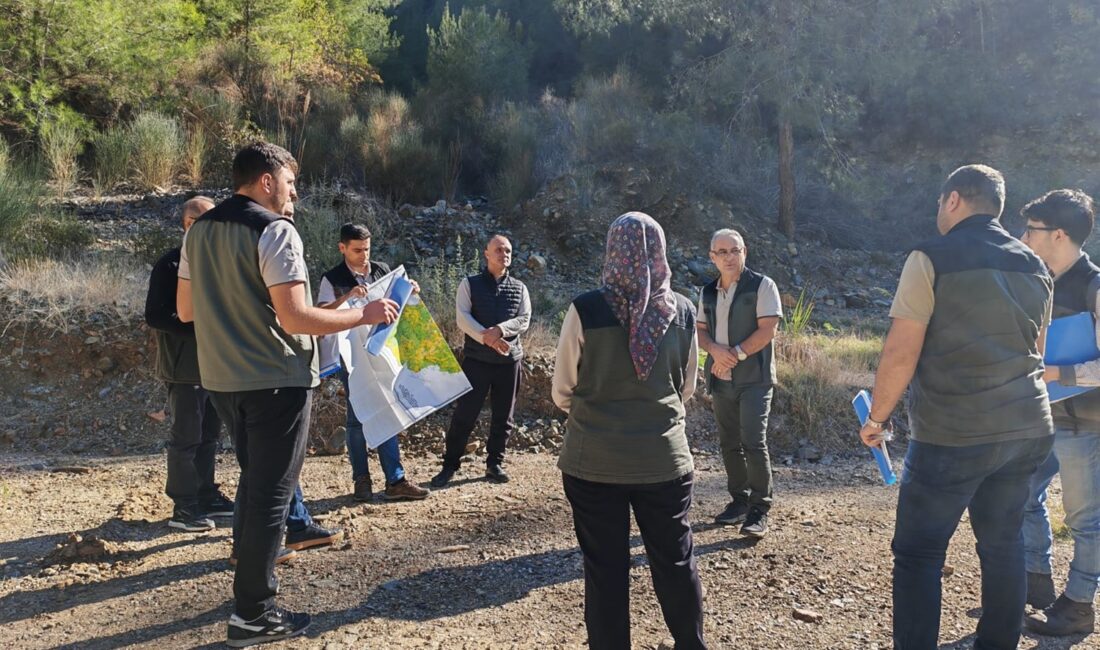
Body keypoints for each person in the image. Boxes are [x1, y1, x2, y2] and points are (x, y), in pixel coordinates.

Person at [177, 142, 399, 647]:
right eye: (291, 184)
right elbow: (296, 316)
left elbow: (187, 312)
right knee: (272, 495)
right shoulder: (276, 230)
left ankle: (249, 601)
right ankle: (253, 614)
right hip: (275, 381)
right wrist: (361, 315)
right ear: (267, 181)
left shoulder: (200, 231)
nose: (295, 196)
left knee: (256, 486)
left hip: (221, 381)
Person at [860, 164, 1054, 650]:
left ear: (952, 200)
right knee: (1003, 543)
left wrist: (877, 418)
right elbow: (1038, 351)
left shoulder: (931, 257)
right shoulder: (1034, 265)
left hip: (953, 432)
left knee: (919, 553)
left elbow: (901, 351)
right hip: (1027, 425)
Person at [552, 211, 705, 649]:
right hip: (664, 461)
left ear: (612, 251)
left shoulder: (586, 309)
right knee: (675, 561)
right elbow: (687, 386)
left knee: (605, 570)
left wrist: (596, 413)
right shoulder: (682, 311)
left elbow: (563, 389)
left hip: (593, 463)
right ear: (660, 251)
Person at [1018, 189, 1100, 635]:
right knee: (1025, 498)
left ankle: (1078, 607)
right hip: (1041, 417)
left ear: (1060, 235)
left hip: (1086, 425)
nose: (1024, 237)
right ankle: (1036, 588)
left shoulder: (1095, 285)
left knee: (1086, 520)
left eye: (1032, 230)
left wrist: (1055, 373)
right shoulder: (1039, 278)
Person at [316, 222, 430, 502]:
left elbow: (396, 304)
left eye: (367, 249)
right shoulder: (331, 278)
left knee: (388, 411)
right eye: (357, 250)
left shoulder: (381, 270)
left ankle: (395, 480)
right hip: (352, 359)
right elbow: (319, 316)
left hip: (383, 353)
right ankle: (362, 482)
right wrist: (347, 297)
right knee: (357, 419)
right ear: (342, 248)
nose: (364, 255)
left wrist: (410, 290)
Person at [143, 196, 234, 532]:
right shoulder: (169, 265)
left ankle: (206, 495)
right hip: (184, 368)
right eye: (204, 221)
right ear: (187, 224)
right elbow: (155, 315)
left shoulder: (218, 262)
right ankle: (184, 507)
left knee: (209, 436)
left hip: (216, 366)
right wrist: (200, 327)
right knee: (187, 438)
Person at [697, 228, 782, 537]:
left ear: (745, 252)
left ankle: (760, 508)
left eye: (735, 250)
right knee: (729, 442)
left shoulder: (762, 286)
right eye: (722, 252)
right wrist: (717, 353)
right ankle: (739, 502)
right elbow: (700, 332)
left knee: (753, 441)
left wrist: (735, 354)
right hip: (720, 378)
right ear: (712, 257)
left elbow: (768, 329)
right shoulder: (706, 291)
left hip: (754, 379)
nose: (729, 257)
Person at [431, 234, 530, 487]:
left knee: (503, 417)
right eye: (498, 249)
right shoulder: (469, 283)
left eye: (507, 250)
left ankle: (494, 464)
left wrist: (500, 330)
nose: (503, 253)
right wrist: (488, 339)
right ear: (486, 253)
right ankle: (449, 466)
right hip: (477, 362)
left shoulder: (520, 287)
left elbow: (524, 319)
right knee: (464, 415)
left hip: (509, 363)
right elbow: (462, 318)